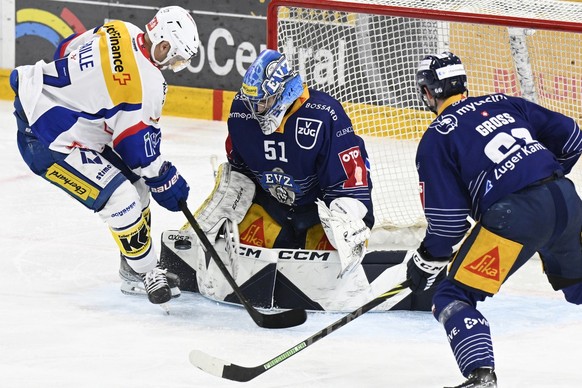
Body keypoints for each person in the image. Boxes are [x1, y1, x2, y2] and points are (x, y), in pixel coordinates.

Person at [406, 51, 582, 387]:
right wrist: (540, 176)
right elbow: (573, 136)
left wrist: (425, 259)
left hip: (515, 218)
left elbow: (449, 222)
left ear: (427, 92)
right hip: (567, 199)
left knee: (452, 295)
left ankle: (481, 375)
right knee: (579, 286)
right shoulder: (505, 103)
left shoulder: (437, 137)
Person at [10, 6, 199, 305]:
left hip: (56, 109)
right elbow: (138, 149)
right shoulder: (146, 84)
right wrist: (166, 180)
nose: (173, 63)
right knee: (122, 197)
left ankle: (133, 265)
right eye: (175, 56)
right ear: (164, 43)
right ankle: (144, 271)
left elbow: (66, 47)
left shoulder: (121, 29)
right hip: (46, 139)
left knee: (137, 183)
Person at [225, 48, 374, 278]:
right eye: (253, 102)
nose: (257, 110)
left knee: (333, 261)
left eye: (264, 101)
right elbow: (239, 174)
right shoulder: (241, 114)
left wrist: (346, 221)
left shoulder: (325, 114)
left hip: (319, 213)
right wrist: (226, 207)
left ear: (285, 90)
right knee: (230, 247)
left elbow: (349, 181)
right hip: (273, 208)